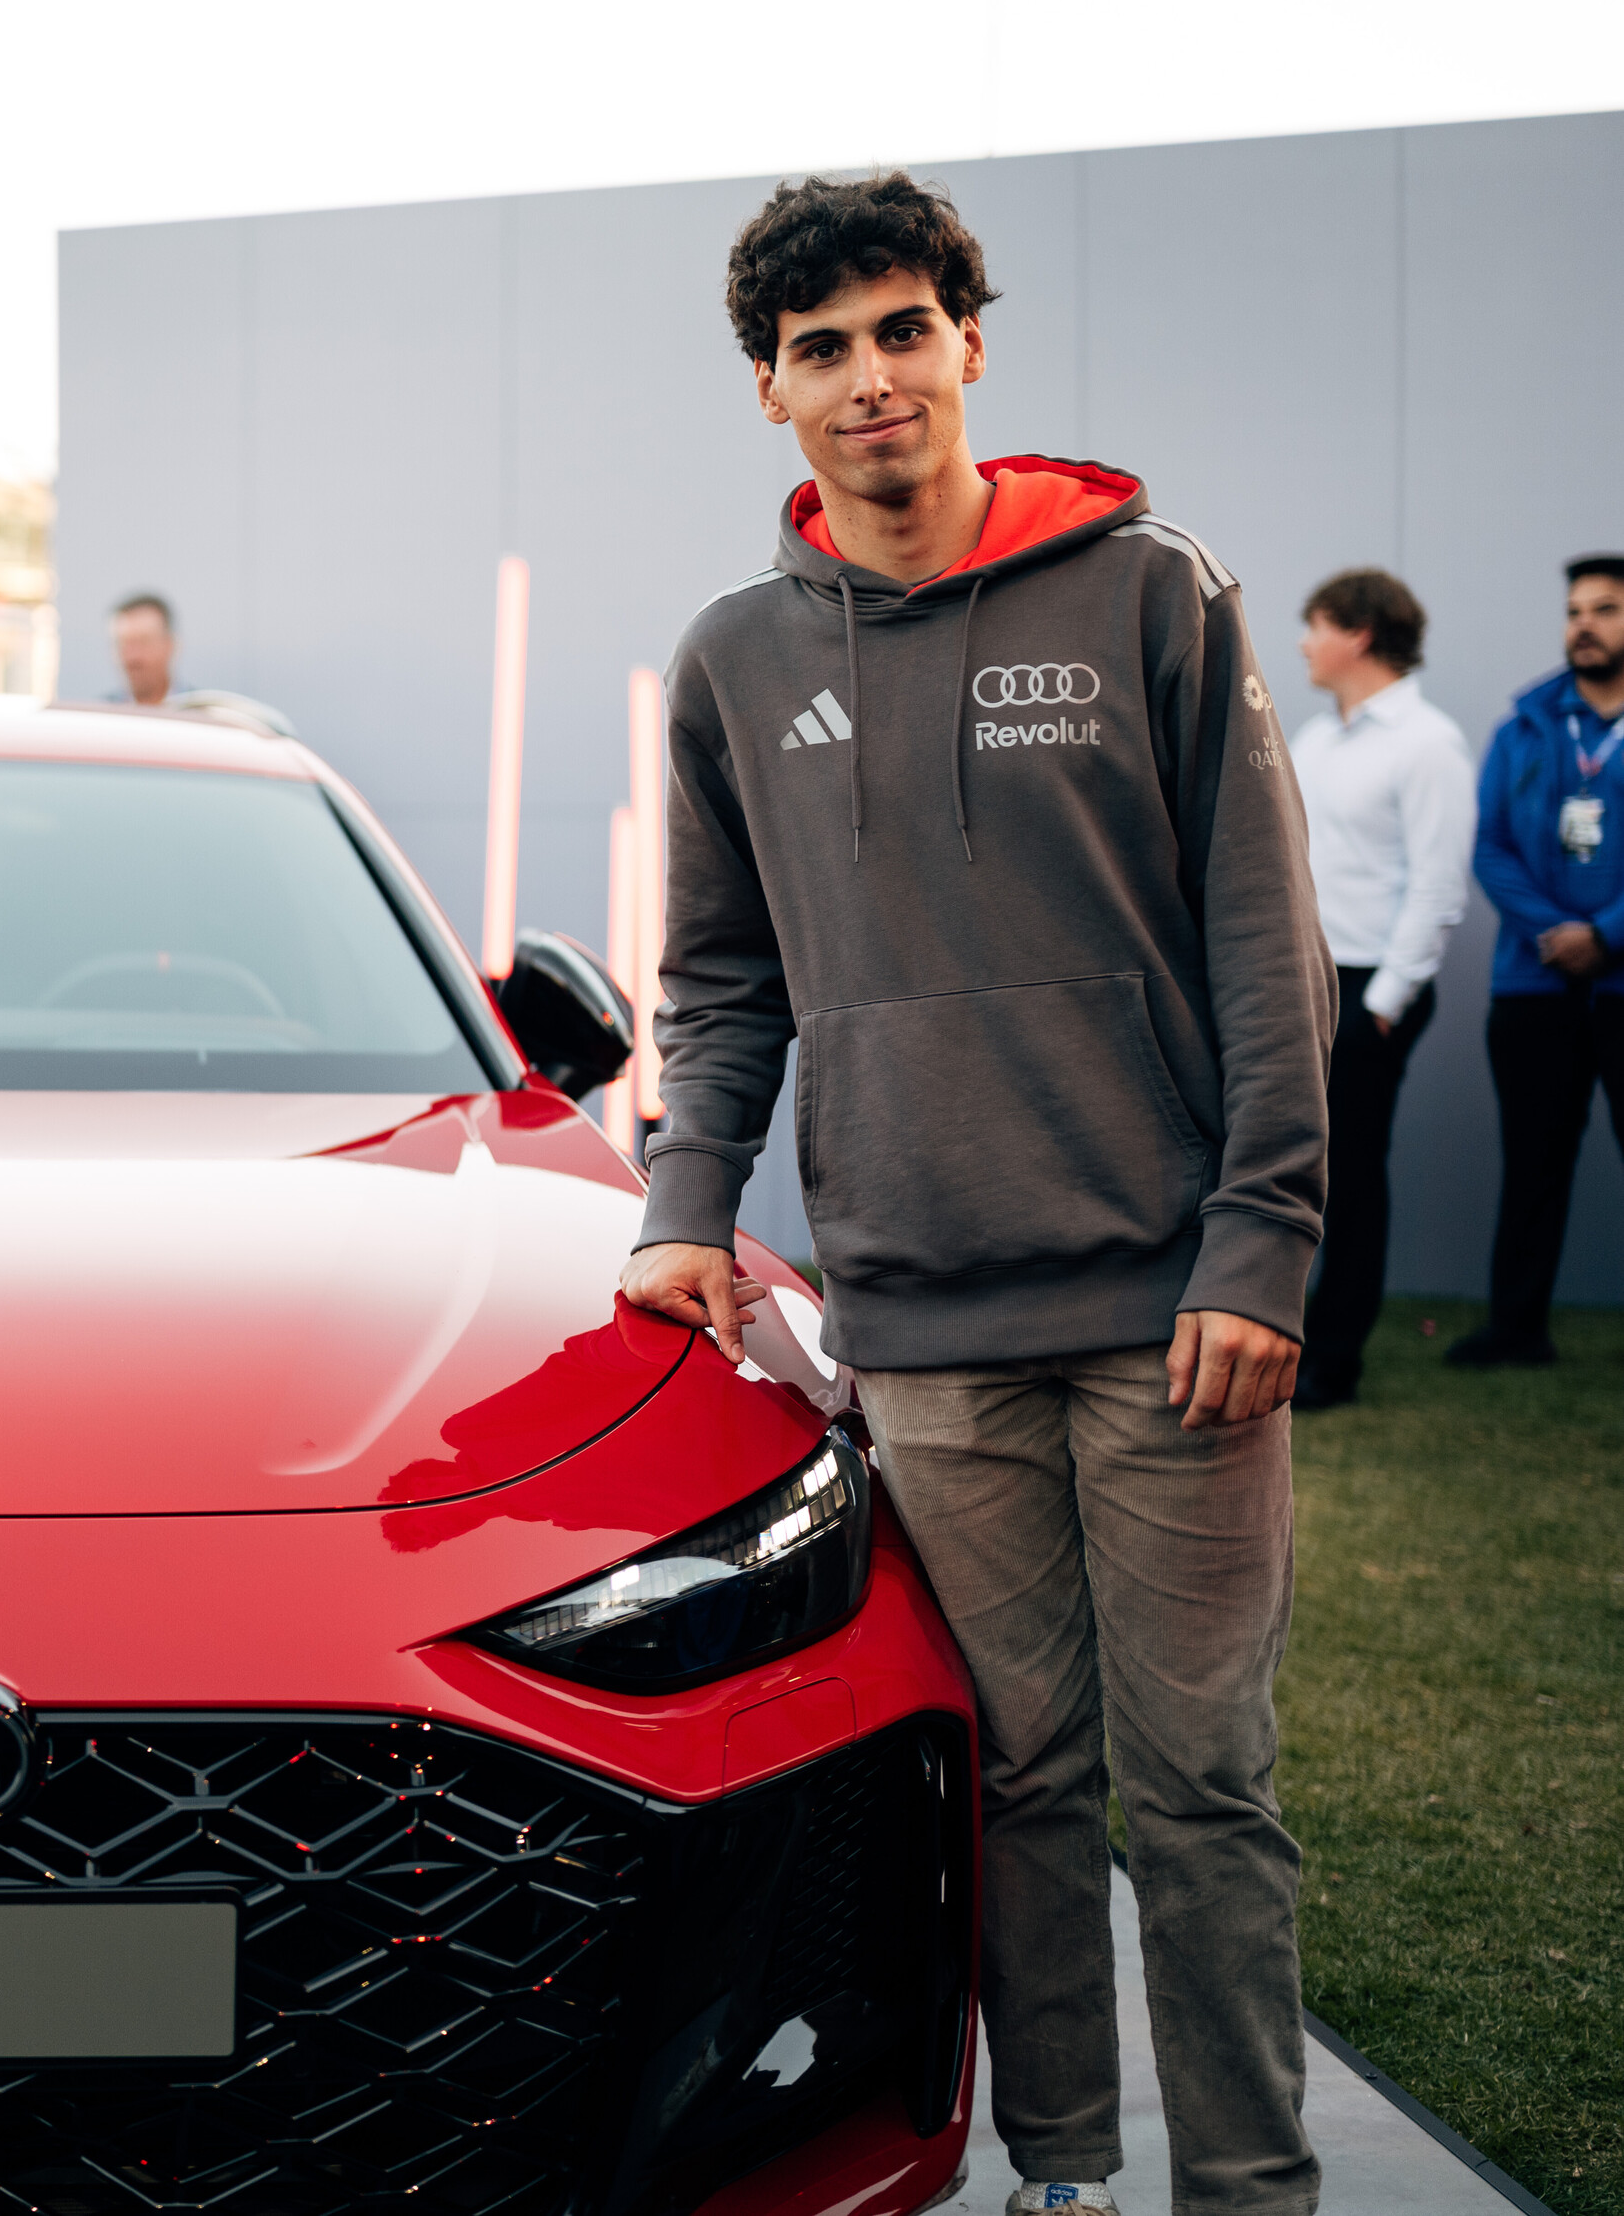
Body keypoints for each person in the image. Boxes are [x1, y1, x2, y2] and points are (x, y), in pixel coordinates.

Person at [622, 172, 1328, 2216]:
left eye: (900, 328)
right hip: (922, 1322)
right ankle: (1063, 2170)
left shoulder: (1147, 591)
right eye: (818, 347)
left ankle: (1248, 2185)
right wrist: (683, 1197)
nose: (868, 377)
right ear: (767, 390)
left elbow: (1261, 945)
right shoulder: (730, 658)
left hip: (1173, 1314)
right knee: (1017, 1777)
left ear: (966, 344)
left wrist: (1259, 1240)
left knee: (1197, 1788)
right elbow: (720, 980)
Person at [1286, 567, 1473, 1406]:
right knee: (1287, 1166)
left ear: (1359, 634)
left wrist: (1384, 1005)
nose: (1304, 643)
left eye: (1317, 625)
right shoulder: (1315, 739)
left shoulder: (1427, 743)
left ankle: (1334, 1359)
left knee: (1351, 1175)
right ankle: (1281, 1335)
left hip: (1369, 989)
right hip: (1303, 977)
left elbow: (1438, 888)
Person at [1448, 555, 1624, 1367]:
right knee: (1532, 1162)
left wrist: (1608, 934)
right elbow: (1489, 844)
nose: (1584, 624)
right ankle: (1516, 1330)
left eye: (1606, 609)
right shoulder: (1523, 725)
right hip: (1534, 979)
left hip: (1618, 978)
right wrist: (1557, 930)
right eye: (1575, 610)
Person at [111, 591, 176, 705]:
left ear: (169, 646)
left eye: (144, 642)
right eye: (124, 644)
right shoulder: (101, 713)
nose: (133, 657)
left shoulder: (200, 712)